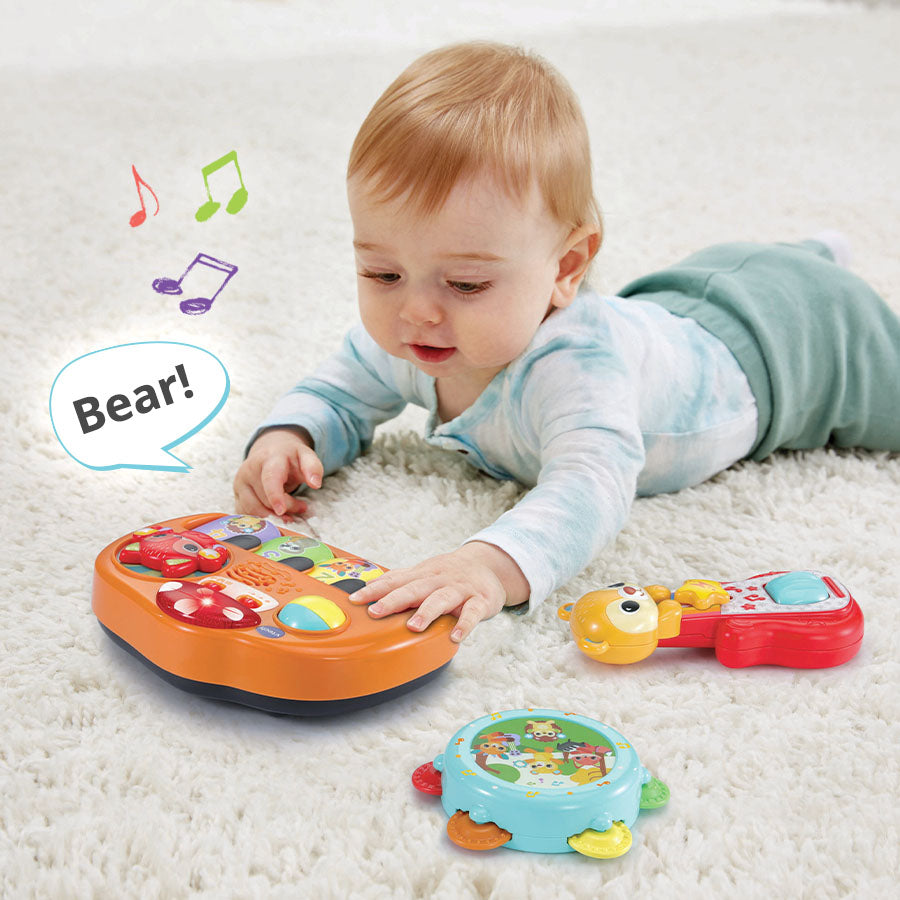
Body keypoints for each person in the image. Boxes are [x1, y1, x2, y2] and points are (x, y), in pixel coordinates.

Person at [233, 41, 900, 644]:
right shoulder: (413, 334)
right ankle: (807, 252)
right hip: (674, 305)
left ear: (566, 267)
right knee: (716, 284)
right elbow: (338, 389)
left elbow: (592, 485)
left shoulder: (577, 371)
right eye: (382, 274)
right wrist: (291, 436)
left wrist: (487, 564)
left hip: (788, 350)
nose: (417, 311)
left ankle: (814, 262)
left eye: (466, 284)